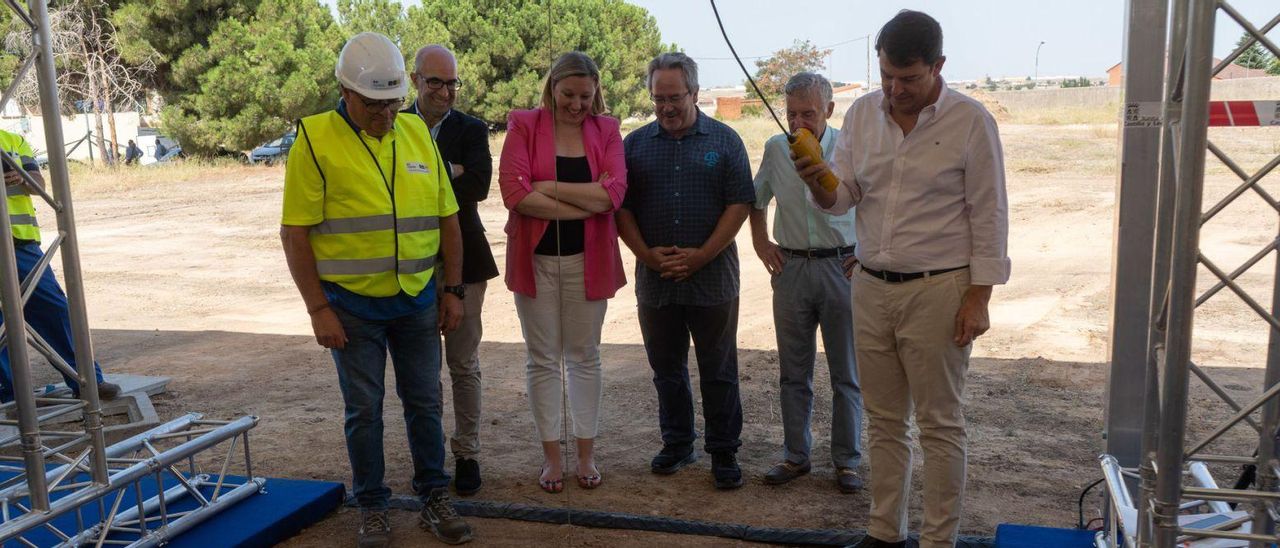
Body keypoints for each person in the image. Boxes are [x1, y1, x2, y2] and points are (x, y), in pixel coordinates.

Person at [793, 11, 1010, 548]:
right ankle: (884, 533)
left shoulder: (971, 121)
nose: (896, 89)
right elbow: (843, 197)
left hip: (940, 289)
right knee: (885, 421)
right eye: (887, 75)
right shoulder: (865, 116)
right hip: (868, 285)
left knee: (939, 425)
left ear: (938, 66)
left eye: (909, 78)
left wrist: (978, 296)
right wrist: (818, 181)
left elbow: (989, 214)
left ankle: (939, 540)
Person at [280, 32, 472, 547]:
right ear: (345, 91)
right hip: (350, 307)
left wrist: (452, 289)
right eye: (373, 105)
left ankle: (434, 495)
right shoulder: (315, 140)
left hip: (416, 299)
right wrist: (317, 307)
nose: (385, 115)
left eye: (391, 104)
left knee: (425, 402)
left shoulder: (417, 133)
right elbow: (295, 232)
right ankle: (372, 506)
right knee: (364, 410)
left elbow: (447, 219)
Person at [618, 52, 753, 490]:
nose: (667, 107)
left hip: (712, 279)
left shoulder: (726, 141)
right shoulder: (633, 146)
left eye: (675, 97)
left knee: (718, 368)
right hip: (655, 282)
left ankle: (724, 450)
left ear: (695, 93)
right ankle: (677, 443)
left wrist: (701, 256)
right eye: (659, 98)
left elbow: (739, 205)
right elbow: (622, 209)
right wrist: (647, 256)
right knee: (667, 368)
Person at [498, 51, 627, 494]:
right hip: (534, 262)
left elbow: (614, 195)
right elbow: (514, 195)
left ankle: (586, 454)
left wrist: (547, 188)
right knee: (542, 359)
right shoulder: (523, 124)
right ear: (552, 87)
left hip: (587, 262)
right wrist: (586, 201)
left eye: (585, 96)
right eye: (568, 94)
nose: (576, 104)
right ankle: (552, 456)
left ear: (597, 93)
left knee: (584, 356)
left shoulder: (607, 129)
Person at [750, 72, 863, 494]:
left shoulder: (849, 149)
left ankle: (847, 462)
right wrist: (762, 243)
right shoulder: (777, 149)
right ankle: (796, 456)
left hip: (842, 269)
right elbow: (756, 198)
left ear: (829, 111)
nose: (799, 123)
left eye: (808, 114)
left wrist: (862, 251)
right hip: (792, 270)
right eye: (791, 114)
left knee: (845, 373)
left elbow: (871, 202)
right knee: (793, 372)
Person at [404, 44, 497, 497]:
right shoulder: (395, 124)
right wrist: (451, 169)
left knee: (463, 364)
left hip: (469, 264)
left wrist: (428, 170)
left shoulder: (472, 128)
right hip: (412, 265)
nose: (445, 91)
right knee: (421, 372)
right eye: (436, 81)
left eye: (452, 82)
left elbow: (479, 185)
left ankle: (468, 455)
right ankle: (430, 459)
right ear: (415, 80)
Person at [0, 128, 120, 403]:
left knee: (55, 311)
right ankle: (10, 391)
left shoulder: (13, 140)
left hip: (20, 245)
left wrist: (22, 176)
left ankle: (87, 381)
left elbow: (39, 185)